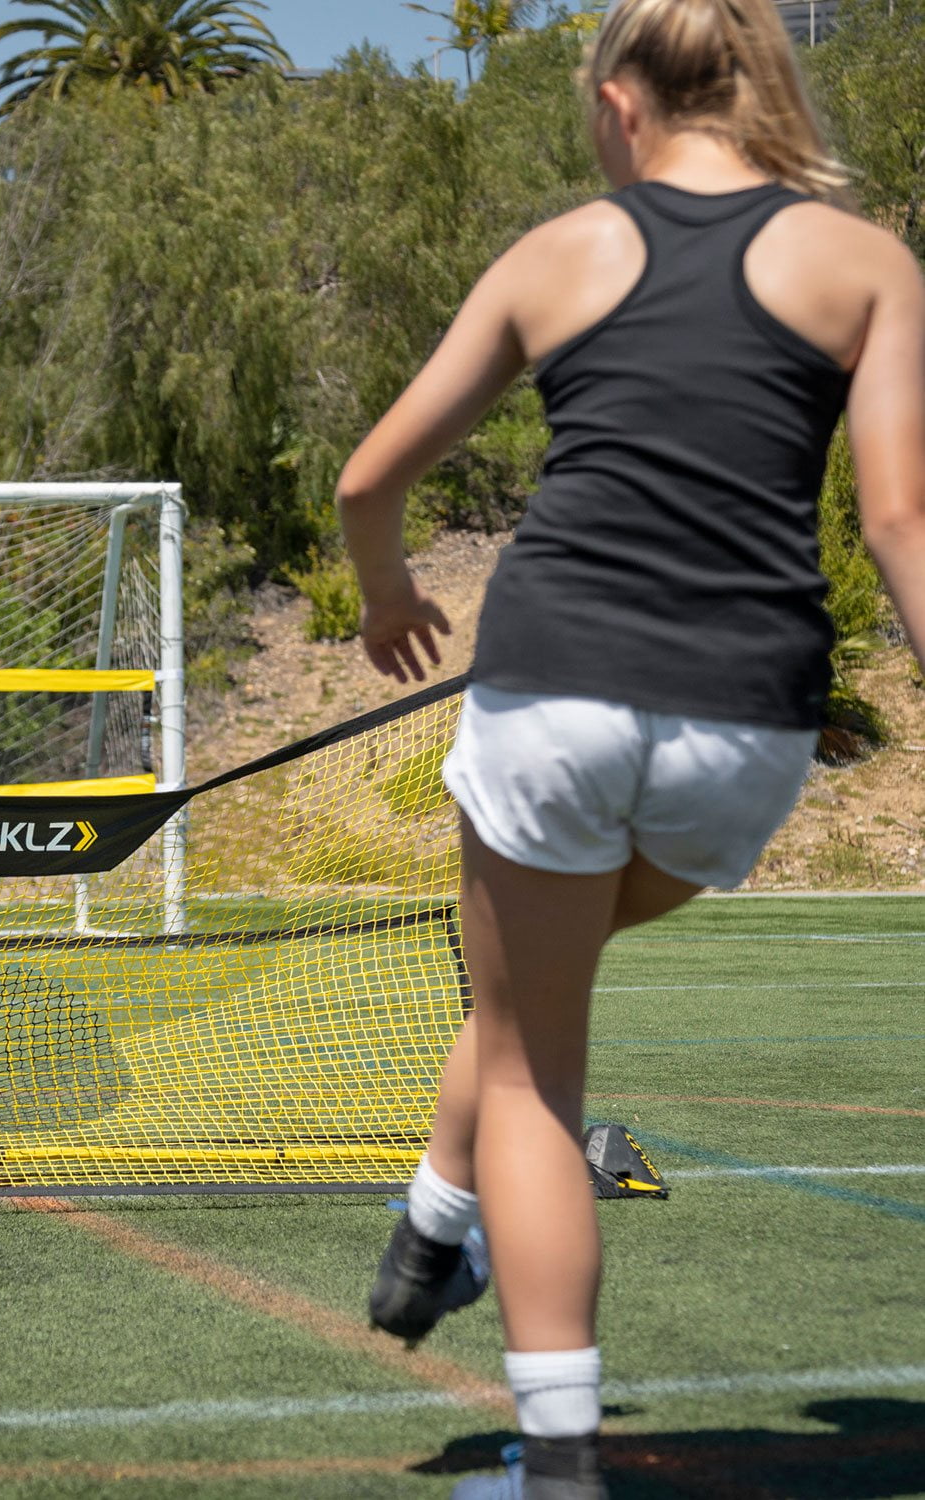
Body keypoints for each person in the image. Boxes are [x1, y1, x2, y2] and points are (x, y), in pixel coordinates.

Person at [334, 0, 925, 1494]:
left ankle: (555, 1445)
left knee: (533, 1058)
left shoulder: (564, 252)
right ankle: (426, 1231)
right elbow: (900, 521)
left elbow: (368, 478)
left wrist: (390, 587)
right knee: (540, 982)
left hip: (557, 693)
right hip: (748, 719)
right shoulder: (866, 263)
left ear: (620, 105)